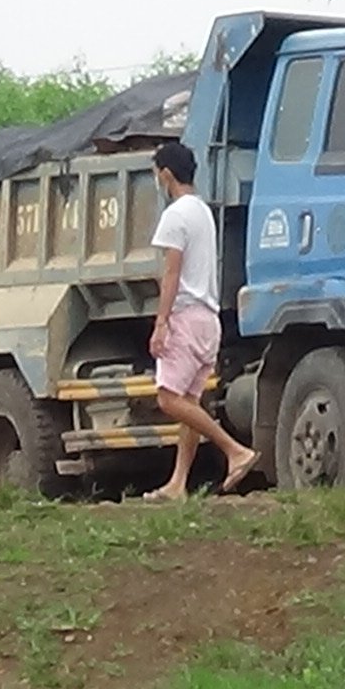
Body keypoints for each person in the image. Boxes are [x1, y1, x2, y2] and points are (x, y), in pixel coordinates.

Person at [143, 142, 257, 502]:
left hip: (186, 317)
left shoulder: (175, 215)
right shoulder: (203, 212)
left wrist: (161, 322)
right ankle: (178, 483)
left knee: (168, 399)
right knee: (189, 403)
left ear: (166, 174)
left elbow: (171, 272)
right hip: (209, 320)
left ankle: (235, 450)